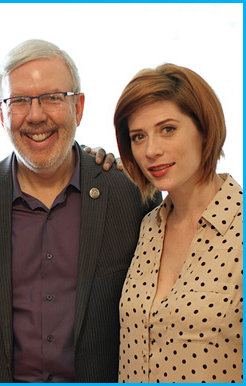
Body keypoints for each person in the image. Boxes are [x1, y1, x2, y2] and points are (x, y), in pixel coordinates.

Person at [0, 39, 162, 382]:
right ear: (1, 113)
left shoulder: (130, 195)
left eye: (53, 97)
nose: (36, 115)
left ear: (78, 108)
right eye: (19, 101)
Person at [114, 63, 243, 383]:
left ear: (204, 128)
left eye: (168, 129)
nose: (151, 151)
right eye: (138, 136)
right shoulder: (148, 228)